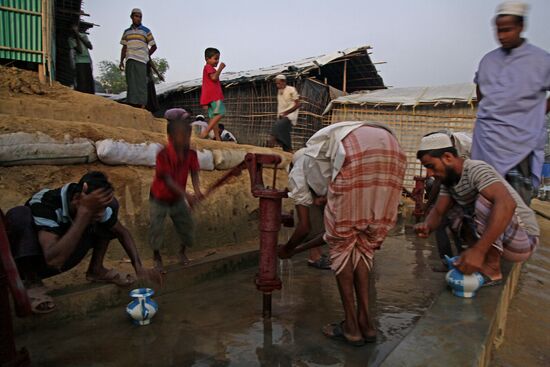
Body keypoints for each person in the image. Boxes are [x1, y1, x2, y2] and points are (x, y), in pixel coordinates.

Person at [280, 121, 407, 346]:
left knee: (342, 249)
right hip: (391, 145)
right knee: (363, 245)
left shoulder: (297, 170)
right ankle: (366, 323)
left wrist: (287, 250)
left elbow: (304, 228)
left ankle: (351, 327)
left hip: (355, 148)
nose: (317, 201)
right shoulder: (321, 161)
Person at [5, 171, 162, 314]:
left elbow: (122, 232)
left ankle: (96, 269)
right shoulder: (45, 203)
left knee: (110, 211)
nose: (101, 213)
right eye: (95, 208)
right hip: (42, 261)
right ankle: (32, 282)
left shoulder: (92, 207)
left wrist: (138, 267)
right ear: (77, 198)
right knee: (18, 214)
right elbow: (54, 260)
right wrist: (85, 213)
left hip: (69, 253)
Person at [415, 133, 539, 288]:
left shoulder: (475, 168)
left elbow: (507, 204)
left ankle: (492, 270)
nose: (429, 174)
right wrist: (427, 225)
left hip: (524, 241)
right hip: (507, 241)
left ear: (447, 157)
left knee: (485, 201)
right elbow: (439, 212)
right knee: (454, 211)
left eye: (430, 167)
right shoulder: (450, 181)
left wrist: (479, 251)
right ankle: (478, 260)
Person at [471, 1, 550, 205]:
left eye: (507, 30)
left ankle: (517, 237)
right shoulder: (488, 60)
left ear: (521, 27)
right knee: (483, 199)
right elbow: (480, 88)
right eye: (498, 30)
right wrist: (488, 114)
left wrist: (538, 113)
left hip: (520, 144)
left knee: (516, 203)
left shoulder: (541, 60)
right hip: (486, 142)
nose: (502, 36)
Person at [149, 108, 204, 273]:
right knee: (156, 227)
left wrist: (197, 190)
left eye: (188, 135)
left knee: (186, 226)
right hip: (159, 197)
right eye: (182, 136)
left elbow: (194, 172)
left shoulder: (191, 154)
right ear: (170, 138)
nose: (186, 139)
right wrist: (187, 195)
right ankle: (157, 256)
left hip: (177, 199)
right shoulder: (163, 155)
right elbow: (167, 180)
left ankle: (182, 252)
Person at [423, 130, 472, 271]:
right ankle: (448, 263)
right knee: (442, 224)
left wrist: (428, 207)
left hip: (468, 192)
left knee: (462, 225)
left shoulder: (467, 147)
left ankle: (465, 262)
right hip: (451, 188)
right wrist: (429, 208)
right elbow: (440, 181)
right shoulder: (440, 154)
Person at [279, 148, 330, 269]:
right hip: (305, 175)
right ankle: (314, 257)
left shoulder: (332, 164)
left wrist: (289, 249)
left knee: (320, 219)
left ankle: (317, 254)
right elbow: (305, 227)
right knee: (313, 218)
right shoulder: (300, 173)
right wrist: (289, 249)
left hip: (315, 179)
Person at [119, 8, 157, 108]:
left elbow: (154, 46)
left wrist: (146, 55)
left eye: (140, 17)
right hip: (130, 59)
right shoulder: (126, 32)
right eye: (136, 16)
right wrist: (121, 61)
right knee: (131, 83)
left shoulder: (146, 31)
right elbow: (124, 47)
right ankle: (132, 105)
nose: (138, 18)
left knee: (141, 83)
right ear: (131, 17)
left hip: (141, 60)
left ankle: (142, 105)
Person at [199, 47, 226, 140]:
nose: (217, 61)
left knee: (214, 118)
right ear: (207, 59)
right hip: (215, 96)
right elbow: (214, 78)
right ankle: (205, 132)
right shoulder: (208, 67)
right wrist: (220, 68)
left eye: (218, 59)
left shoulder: (208, 68)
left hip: (210, 97)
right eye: (215, 58)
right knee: (220, 113)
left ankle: (217, 138)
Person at [270, 75, 301, 152]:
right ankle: (289, 150)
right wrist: (280, 115)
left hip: (290, 115)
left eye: (279, 83)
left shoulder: (291, 89)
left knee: (276, 128)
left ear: (284, 82)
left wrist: (286, 112)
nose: (277, 86)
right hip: (282, 116)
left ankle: (269, 147)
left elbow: (298, 104)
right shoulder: (279, 91)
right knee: (285, 135)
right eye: (276, 84)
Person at [68, 22, 94, 94]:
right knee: (82, 82)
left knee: (89, 81)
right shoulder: (71, 40)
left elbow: (90, 46)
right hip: (79, 62)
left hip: (87, 61)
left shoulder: (84, 36)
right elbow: (80, 50)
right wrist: (77, 36)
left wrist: (79, 36)